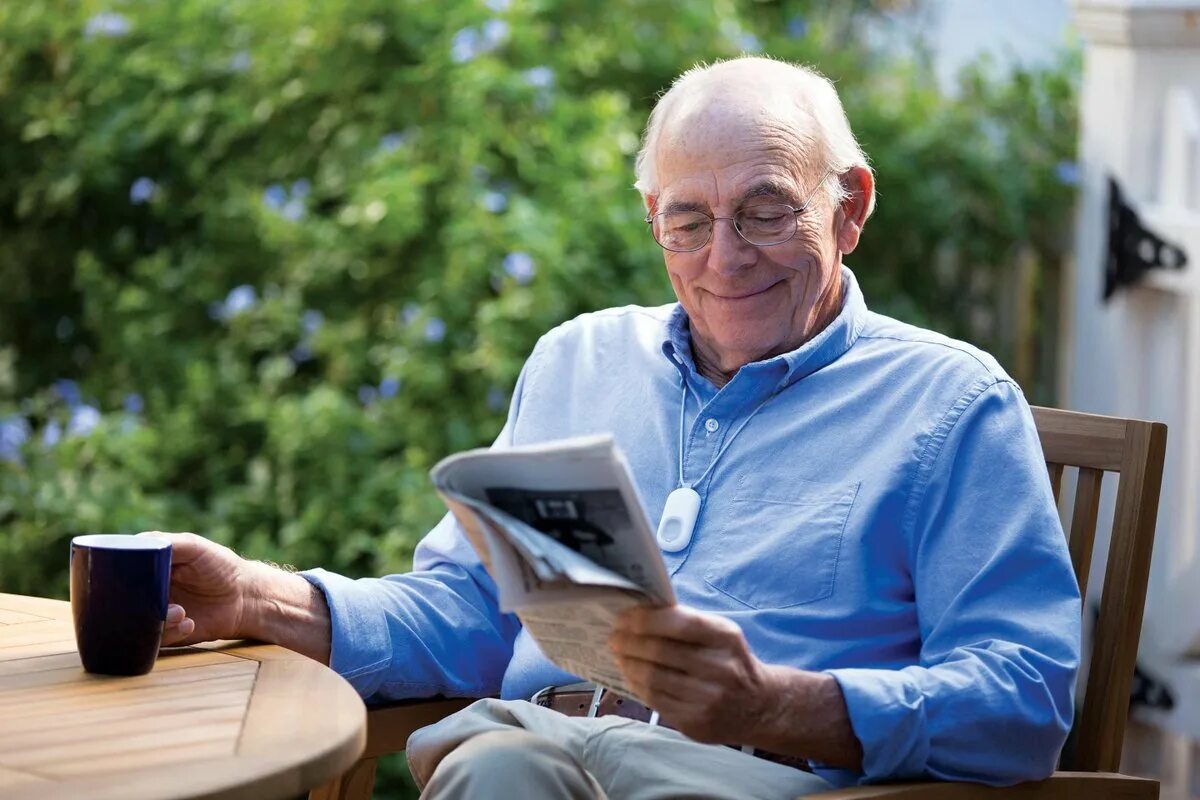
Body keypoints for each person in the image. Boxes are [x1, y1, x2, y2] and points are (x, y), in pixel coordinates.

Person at [146, 56, 1081, 799]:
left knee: (496, 763)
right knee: (505, 763)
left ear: (850, 208)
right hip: (544, 752)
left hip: (755, 778)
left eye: (765, 211)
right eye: (689, 222)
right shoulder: (578, 363)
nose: (725, 257)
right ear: (651, 222)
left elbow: (1024, 698)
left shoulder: (951, 405)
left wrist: (782, 705)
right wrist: (261, 603)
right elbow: (470, 616)